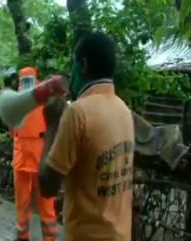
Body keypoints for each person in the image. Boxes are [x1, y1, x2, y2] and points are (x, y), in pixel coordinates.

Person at [39, 32, 135, 241]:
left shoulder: (78, 113)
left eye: (73, 64)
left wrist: (52, 124)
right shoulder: (123, 110)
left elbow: (47, 186)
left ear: (83, 65)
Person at [10, 67, 58, 241]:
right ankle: (23, 236)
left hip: (37, 159)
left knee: (44, 203)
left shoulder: (46, 98)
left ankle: (46, 238)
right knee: (26, 202)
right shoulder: (17, 100)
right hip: (25, 159)